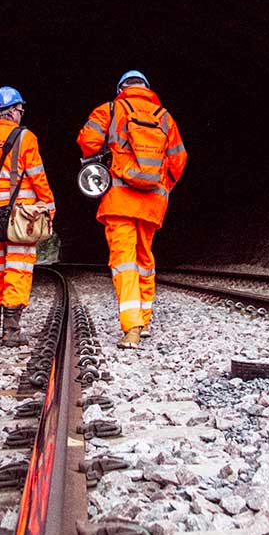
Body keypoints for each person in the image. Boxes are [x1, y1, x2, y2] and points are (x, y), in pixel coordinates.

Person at [77, 71, 187, 348]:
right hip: (152, 203)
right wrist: (163, 188)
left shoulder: (110, 110)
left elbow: (88, 141)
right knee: (144, 260)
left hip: (119, 200)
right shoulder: (165, 117)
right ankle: (145, 319)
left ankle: (132, 328)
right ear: (147, 89)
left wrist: (107, 156)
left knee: (124, 262)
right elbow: (178, 160)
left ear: (121, 89)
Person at [0, 86, 55, 347]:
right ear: (14, 112)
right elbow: (37, 176)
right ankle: (11, 331)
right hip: (20, 218)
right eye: (20, 109)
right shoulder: (25, 138)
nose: (21, 114)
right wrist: (49, 207)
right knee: (17, 269)